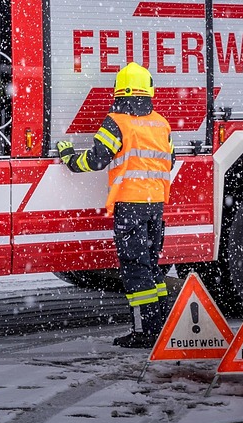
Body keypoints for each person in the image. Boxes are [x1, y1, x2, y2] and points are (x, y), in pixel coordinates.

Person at [56, 62, 174, 348]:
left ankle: (144, 332)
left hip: (131, 205)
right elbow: (171, 158)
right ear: (149, 90)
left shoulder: (117, 121)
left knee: (136, 269)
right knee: (151, 267)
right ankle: (159, 325)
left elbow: (96, 159)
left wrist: (70, 158)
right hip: (155, 203)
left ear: (119, 92)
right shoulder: (161, 123)